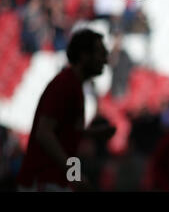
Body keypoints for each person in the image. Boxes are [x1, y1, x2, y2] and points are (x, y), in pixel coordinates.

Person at [17, 29, 116, 192]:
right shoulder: (66, 85)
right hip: (44, 181)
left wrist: (92, 134)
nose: (105, 60)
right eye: (100, 53)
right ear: (84, 55)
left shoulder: (75, 85)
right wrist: (75, 175)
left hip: (54, 182)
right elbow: (45, 133)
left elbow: (65, 134)